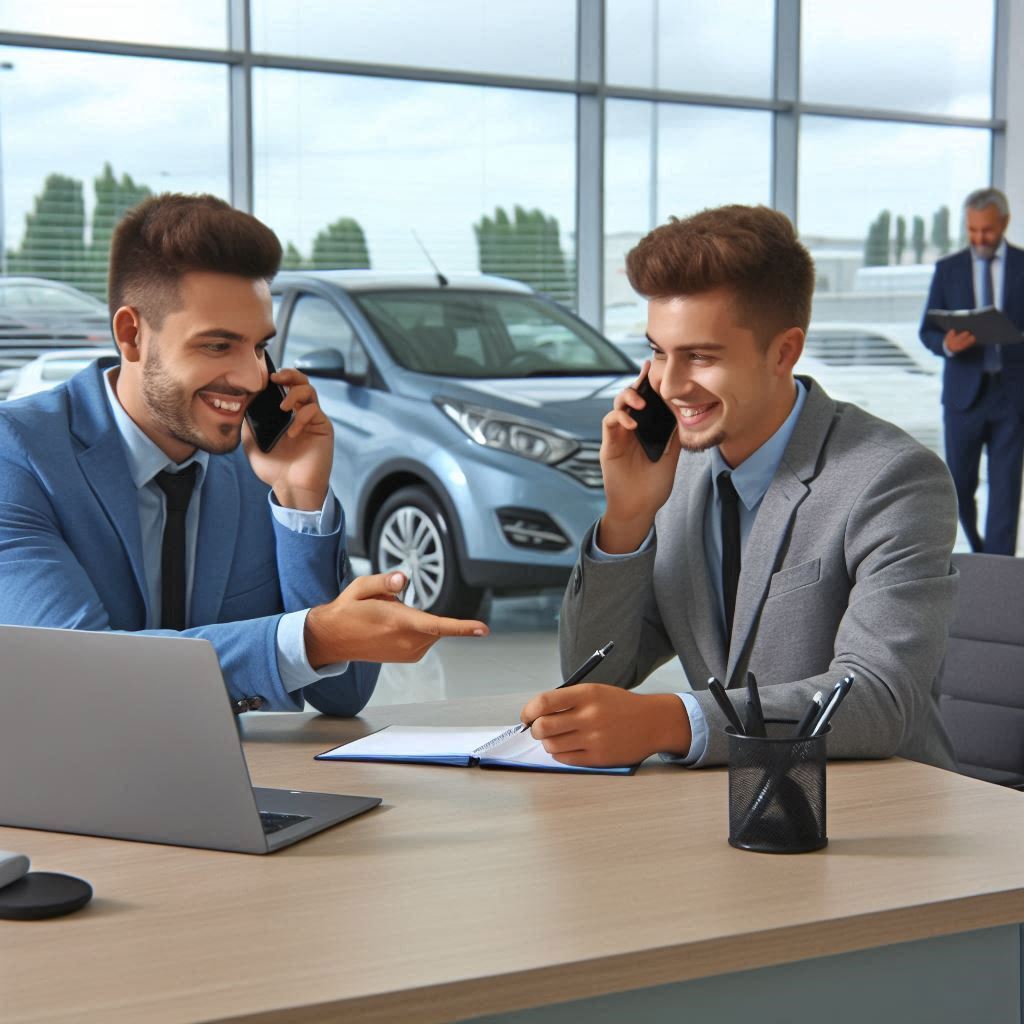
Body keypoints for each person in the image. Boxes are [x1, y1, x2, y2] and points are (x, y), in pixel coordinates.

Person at [0, 193, 487, 715]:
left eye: (259, 347)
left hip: (242, 784)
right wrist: (311, 639)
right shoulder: (20, 456)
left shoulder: (258, 465)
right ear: (131, 334)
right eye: (217, 346)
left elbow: (341, 696)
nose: (254, 377)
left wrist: (301, 498)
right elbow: (85, 676)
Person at [519, 204, 958, 769]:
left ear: (784, 352)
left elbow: (878, 699)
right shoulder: (677, 474)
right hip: (735, 809)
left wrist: (671, 720)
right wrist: (626, 520)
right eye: (657, 352)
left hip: (879, 813)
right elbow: (598, 674)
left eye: (700, 356)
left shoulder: (893, 479)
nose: (670, 386)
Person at [919, 187, 1024, 555]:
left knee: (1006, 493)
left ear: (1005, 223)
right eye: (973, 230)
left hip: (1012, 398)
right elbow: (927, 331)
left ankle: (998, 575)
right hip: (965, 398)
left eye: (988, 231)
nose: (980, 238)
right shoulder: (949, 269)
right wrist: (949, 345)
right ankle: (981, 554)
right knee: (958, 486)